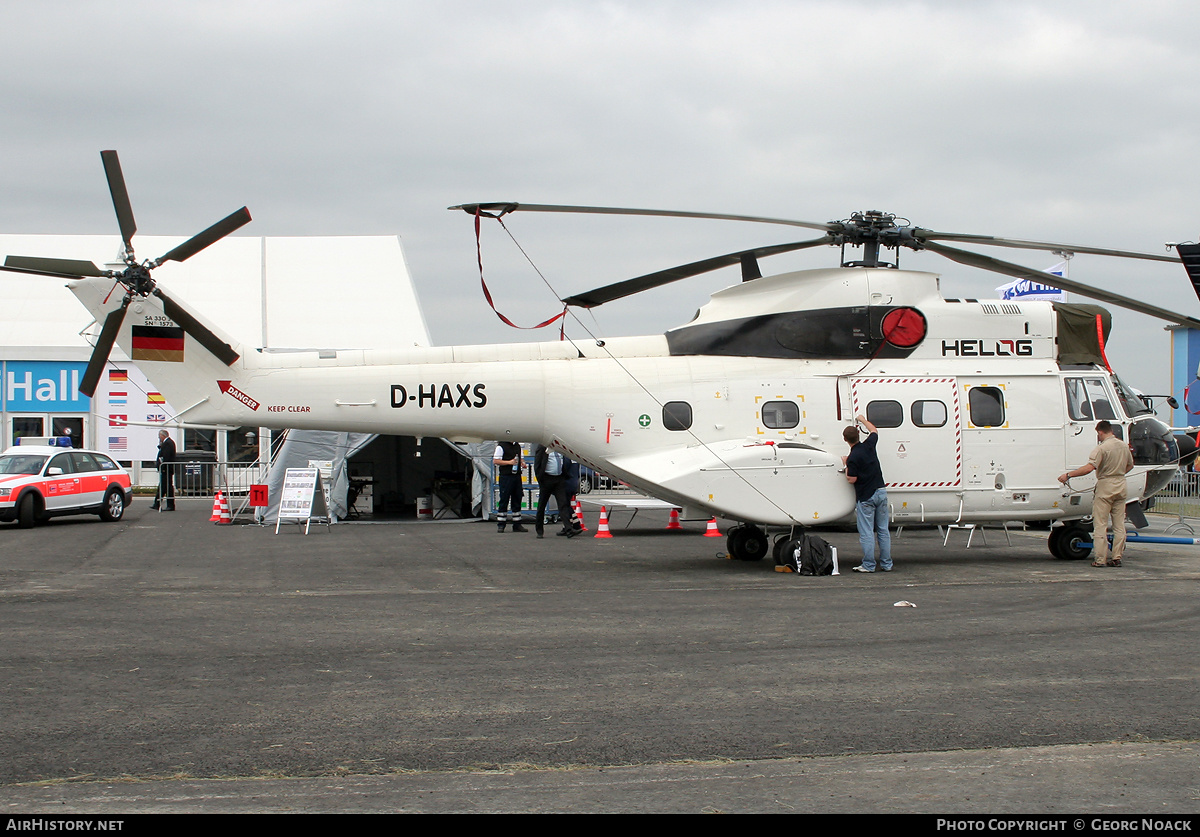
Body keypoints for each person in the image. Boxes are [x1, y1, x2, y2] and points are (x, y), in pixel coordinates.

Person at [1059, 420, 1134, 567]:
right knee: (1119, 525)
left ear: (1100, 432)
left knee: (1100, 524)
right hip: (1121, 484)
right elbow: (1130, 465)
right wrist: (1118, 474)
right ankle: (1117, 557)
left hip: (1105, 485)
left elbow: (1089, 468)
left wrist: (1068, 475)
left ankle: (1100, 559)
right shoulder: (1124, 446)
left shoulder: (1101, 448)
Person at [844, 413, 892, 573]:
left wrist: (845, 466)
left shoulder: (853, 457)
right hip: (881, 491)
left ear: (846, 440)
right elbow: (874, 431)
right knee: (883, 530)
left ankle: (869, 565)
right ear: (858, 435)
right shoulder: (869, 445)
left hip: (866, 496)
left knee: (867, 533)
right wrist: (862, 420)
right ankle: (886, 564)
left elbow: (852, 479)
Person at [533, 444, 576, 539]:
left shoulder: (559, 448)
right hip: (546, 479)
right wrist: (540, 479)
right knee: (542, 505)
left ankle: (568, 529)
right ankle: (539, 530)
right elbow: (537, 464)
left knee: (563, 504)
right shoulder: (542, 447)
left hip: (559, 479)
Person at [493, 441, 527, 532]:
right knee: (504, 499)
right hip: (506, 476)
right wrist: (509, 462)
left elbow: (521, 458)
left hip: (517, 475)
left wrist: (522, 463)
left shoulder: (517, 446)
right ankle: (501, 524)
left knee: (517, 498)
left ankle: (517, 524)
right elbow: (496, 461)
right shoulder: (501, 446)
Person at [150, 429, 176, 511]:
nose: (159, 438)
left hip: (166, 469)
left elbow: (166, 456)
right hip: (165, 469)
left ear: (162, 435)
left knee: (167, 487)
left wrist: (163, 467)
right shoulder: (166, 443)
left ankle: (170, 505)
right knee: (163, 487)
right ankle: (157, 503)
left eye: (159, 436)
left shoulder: (168, 443)